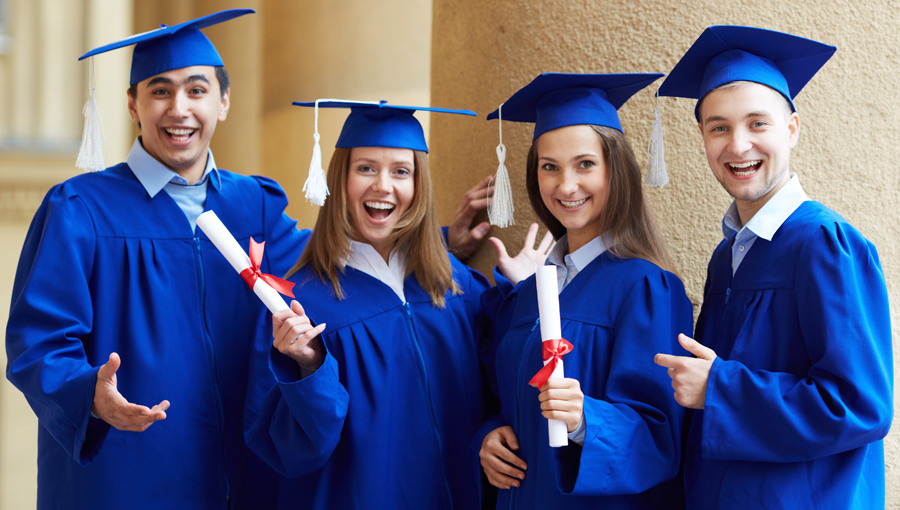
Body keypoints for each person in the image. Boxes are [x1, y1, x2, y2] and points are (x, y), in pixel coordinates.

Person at [4, 11, 491, 509]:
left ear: (223, 102)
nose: (179, 109)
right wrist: (89, 395)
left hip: (237, 474)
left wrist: (441, 238)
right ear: (133, 104)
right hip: (131, 466)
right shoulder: (81, 210)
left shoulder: (251, 204)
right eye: (159, 91)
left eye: (196, 90)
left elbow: (334, 258)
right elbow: (35, 342)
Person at [243, 100, 539, 509]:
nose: (383, 185)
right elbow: (285, 452)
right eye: (366, 168)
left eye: (401, 171)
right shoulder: (300, 306)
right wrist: (310, 367)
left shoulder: (455, 285)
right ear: (340, 178)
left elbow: (501, 385)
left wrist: (524, 291)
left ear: (418, 186)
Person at [654, 25, 893, 509]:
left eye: (757, 123)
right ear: (702, 136)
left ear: (792, 128)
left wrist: (719, 388)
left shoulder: (825, 243)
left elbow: (859, 406)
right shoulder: (729, 255)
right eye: (719, 126)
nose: (738, 146)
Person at [475, 73, 693, 509]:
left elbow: (661, 435)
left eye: (585, 164)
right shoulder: (530, 293)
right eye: (549, 166)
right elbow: (505, 399)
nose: (566, 185)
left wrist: (583, 420)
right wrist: (490, 436)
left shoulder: (646, 287)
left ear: (617, 170)